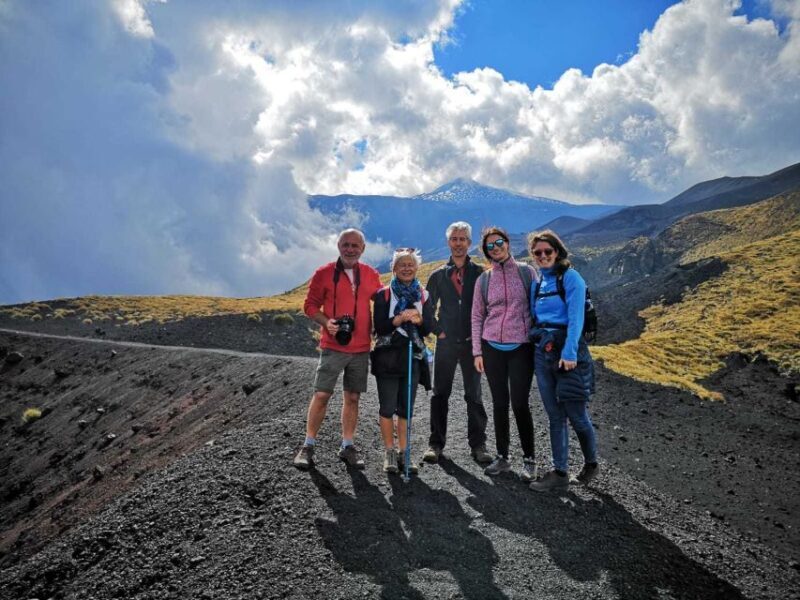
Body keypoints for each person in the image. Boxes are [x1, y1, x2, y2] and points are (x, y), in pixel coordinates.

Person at [293, 228, 383, 470]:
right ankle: (308, 445)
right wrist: (327, 323)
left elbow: (383, 302)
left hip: (361, 347)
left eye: (355, 245)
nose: (350, 249)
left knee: (352, 397)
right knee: (322, 394)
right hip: (333, 345)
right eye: (346, 244)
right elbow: (310, 305)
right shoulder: (323, 274)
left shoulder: (371, 274)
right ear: (338, 246)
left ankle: (347, 445)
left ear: (363, 249)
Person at [527, 229, 599, 492]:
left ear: (557, 252)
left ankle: (591, 464)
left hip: (568, 353)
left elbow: (576, 319)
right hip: (542, 351)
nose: (543, 256)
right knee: (554, 415)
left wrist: (569, 354)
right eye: (538, 253)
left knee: (577, 415)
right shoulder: (538, 283)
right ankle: (560, 473)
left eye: (548, 251)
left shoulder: (571, 278)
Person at [471, 227, 538, 481]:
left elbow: (536, 307)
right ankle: (503, 458)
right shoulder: (484, 280)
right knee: (499, 404)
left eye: (499, 242)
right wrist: (477, 351)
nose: (496, 247)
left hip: (521, 347)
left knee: (520, 404)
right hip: (492, 348)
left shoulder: (526, 272)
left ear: (508, 243)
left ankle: (530, 460)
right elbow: (477, 316)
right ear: (486, 251)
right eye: (490, 246)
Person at [422, 222, 492, 465]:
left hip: (473, 343)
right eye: (454, 239)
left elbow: (491, 306)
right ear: (448, 242)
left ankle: (479, 445)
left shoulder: (481, 273)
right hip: (446, 343)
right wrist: (438, 331)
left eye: (463, 239)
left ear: (470, 243)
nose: (459, 243)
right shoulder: (438, 275)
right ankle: (435, 444)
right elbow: (427, 308)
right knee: (440, 393)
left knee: (474, 395)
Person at [371, 248, 434, 474]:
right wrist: (398, 319)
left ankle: (404, 452)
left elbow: (429, 329)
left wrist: (418, 321)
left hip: (413, 357)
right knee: (387, 407)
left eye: (410, 264)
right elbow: (379, 327)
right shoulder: (384, 295)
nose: (407, 268)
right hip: (387, 357)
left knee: (405, 408)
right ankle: (389, 452)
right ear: (394, 269)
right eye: (402, 265)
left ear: (417, 268)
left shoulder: (423, 295)